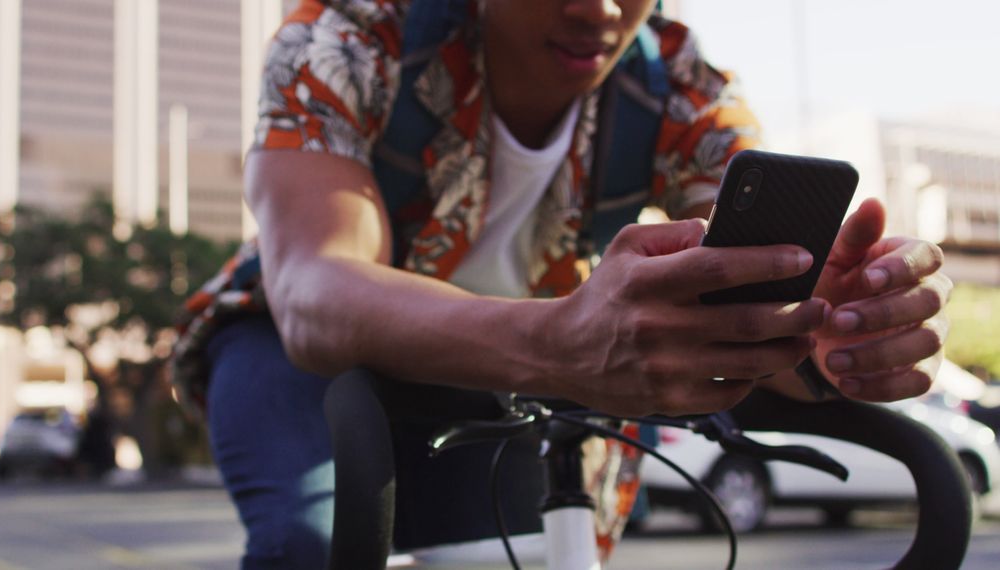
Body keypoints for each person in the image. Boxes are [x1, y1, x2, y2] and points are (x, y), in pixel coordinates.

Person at [172, 0, 951, 567]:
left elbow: (741, 281)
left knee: (523, 556)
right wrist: (556, 341)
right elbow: (315, 294)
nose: (598, 9)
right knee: (306, 546)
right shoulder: (346, 37)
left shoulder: (680, 83)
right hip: (292, 356)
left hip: (534, 365)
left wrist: (820, 328)